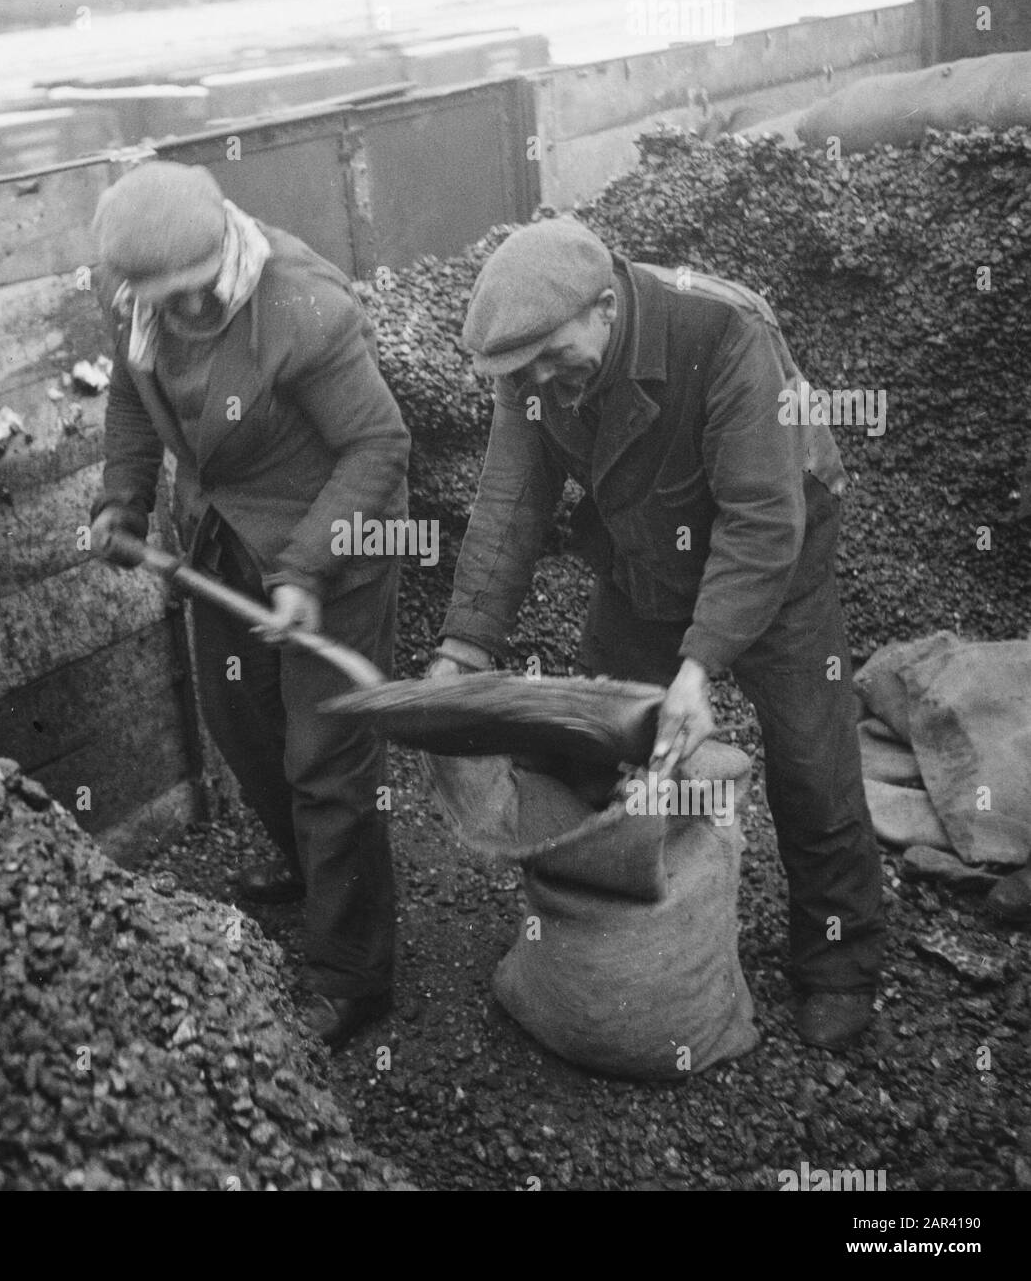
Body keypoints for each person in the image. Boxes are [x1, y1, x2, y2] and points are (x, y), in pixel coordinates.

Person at [429, 215, 885, 1052]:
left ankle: (840, 961)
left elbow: (759, 521)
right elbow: (510, 504)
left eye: (551, 359)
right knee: (591, 743)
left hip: (777, 560)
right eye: (520, 371)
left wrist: (699, 668)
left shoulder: (723, 331)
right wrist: (466, 644)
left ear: (606, 306)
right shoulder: (531, 363)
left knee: (813, 765)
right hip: (644, 555)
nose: (538, 381)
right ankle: (621, 904)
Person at [88, 161, 409, 1047]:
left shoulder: (302, 305)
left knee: (328, 762)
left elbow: (378, 445)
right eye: (167, 302)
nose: (187, 315)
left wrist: (305, 570)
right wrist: (124, 496)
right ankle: (317, 870)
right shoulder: (127, 296)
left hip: (330, 534)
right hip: (218, 538)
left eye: (199, 295)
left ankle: (354, 974)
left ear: (224, 247)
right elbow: (131, 390)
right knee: (243, 727)